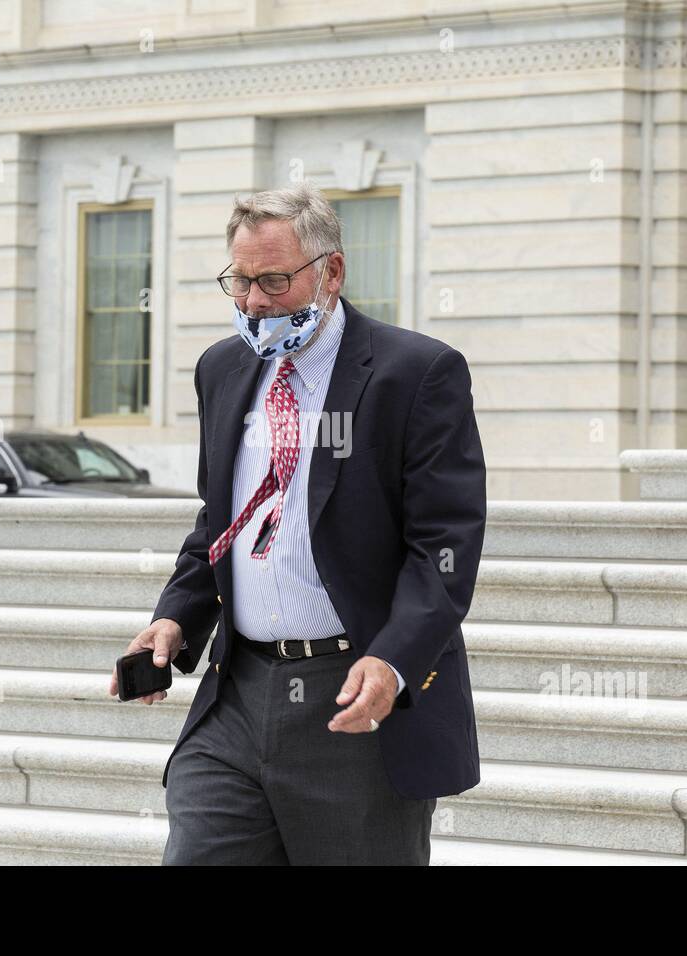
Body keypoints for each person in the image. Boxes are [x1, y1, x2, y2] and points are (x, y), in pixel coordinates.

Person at [108, 180, 486, 865]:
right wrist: (177, 617)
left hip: (352, 702)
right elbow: (218, 523)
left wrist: (393, 659)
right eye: (240, 281)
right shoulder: (222, 371)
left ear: (331, 272)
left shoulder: (417, 375)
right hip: (235, 695)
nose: (253, 301)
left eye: (274, 281)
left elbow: (444, 550)